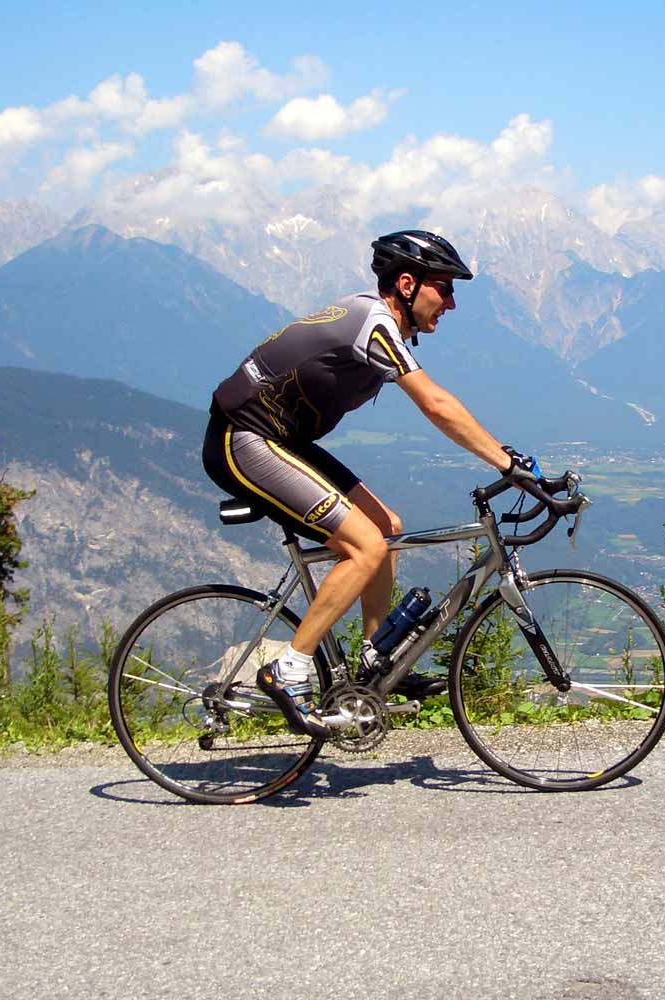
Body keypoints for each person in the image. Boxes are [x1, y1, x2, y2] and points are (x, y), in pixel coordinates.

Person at [202, 230, 539, 738]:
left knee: (387, 527)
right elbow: (436, 404)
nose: (450, 303)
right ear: (407, 283)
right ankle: (288, 667)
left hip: (280, 441)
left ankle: (375, 657)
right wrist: (505, 462)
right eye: (443, 288)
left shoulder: (382, 326)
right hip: (243, 438)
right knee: (364, 548)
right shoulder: (373, 323)